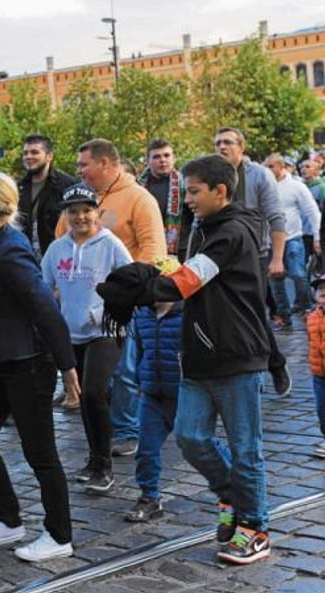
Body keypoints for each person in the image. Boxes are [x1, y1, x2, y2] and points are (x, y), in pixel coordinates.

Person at [97, 154, 271, 565]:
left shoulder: (231, 232)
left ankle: (254, 527)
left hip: (236, 355)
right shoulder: (204, 228)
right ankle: (231, 493)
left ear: (220, 191)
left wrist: (141, 290)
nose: (186, 199)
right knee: (191, 437)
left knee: (247, 449)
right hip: (198, 354)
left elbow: (189, 280)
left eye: (193, 191)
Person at [0, 171, 79, 562]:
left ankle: (59, 535)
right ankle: (8, 519)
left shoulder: (10, 249)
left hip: (28, 365)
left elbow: (45, 310)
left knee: (40, 453)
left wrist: (68, 368)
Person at [57, 138, 167, 458]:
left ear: (104, 163)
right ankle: (102, 428)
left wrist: (132, 294)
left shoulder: (138, 199)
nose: (79, 171)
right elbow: (61, 239)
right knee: (93, 375)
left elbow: (152, 251)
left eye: (83, 164)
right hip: (80, 305)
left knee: (123, 369)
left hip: (120, 305)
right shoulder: (82, 199)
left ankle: (127, 429)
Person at [124, 258, 232, 522]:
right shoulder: (143, 315)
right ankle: (149, 497)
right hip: (152, 394)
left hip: (183, 393)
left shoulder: (189, 314)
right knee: (146, 449)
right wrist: (140, 380)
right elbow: (140, 351)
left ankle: (235, 475)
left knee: (200, 442)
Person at [41, 184, 132, 493]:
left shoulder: (111, 245)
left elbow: (131, 282)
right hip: (72, 332)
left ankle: (104, 466)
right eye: (73, 211)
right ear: (65, 216)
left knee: (94, 393)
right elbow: (43, 287)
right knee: (83, 399)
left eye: (87, 210)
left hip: (106, 330)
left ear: (97, 213)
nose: (81, 217)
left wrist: (105, 307)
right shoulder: (57, 249)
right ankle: (94, 458)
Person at [214, 127, 290, 395]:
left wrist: (277, 259)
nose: (222, 147)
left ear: (241, 146)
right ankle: (239, 372)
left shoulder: (259, 175)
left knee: (253, 313)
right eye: (217, 143)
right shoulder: (212, 174)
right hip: (221, 254)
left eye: (227, 142)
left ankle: (273, 365)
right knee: (224, 313)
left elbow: (276, 217)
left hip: (255, 254)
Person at [263, 153, 320, 328]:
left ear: (281, 167)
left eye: (271, 166)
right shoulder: (264, 187)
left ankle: (307, 308)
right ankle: (284, 316)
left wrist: (317, 237)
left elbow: (312, 211)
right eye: (266, 166)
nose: (267, 170)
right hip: (269, 241)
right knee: (275, 279)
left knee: (298, 274)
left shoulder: (296, 187)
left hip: (293, 238)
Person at [17, 134, 76, 259]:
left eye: (34, 152)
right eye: (25, 153)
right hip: (26, 257)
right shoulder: (18, 187)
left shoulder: (67, 185)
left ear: (49, 156)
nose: (28, 157)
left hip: (60, 258)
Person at [137, 139, 194, 261]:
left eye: (166, 155)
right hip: (147, 248)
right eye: (156, 157)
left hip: (180, 249)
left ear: (174, 158)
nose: (162, 160)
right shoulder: (138, 187)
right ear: (147, 161)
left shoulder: (186, 184)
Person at [304, 275, 325, 459]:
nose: (323, 291)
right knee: (322, 408)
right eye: (320, 288)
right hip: (319, 373)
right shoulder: (312, 316)